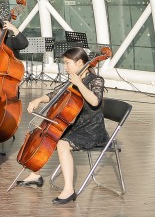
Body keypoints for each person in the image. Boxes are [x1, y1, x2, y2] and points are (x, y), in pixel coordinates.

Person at [16, 47, 108, 205]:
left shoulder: (96, 80)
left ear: (79, 62)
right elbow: (55, 94)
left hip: (92, 129)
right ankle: (35, 174)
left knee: (62, 143)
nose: (65, 67)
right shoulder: (72, 79)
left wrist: (79, 83)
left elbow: (94, 101)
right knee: (48, 134)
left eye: (67, 63)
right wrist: (38, 100)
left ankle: (69, 190)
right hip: (76, 125)